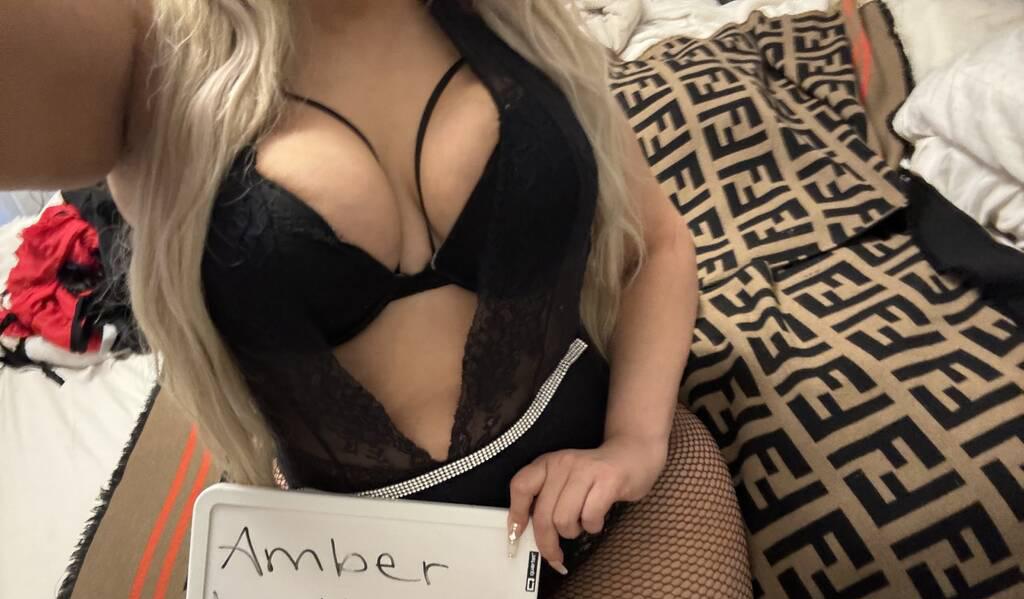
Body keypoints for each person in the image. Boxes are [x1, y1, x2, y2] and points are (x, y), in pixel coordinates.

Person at [1, 0, 704, 593]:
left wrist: (633, 442)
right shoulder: (148, 54)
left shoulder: (517, 18)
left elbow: (657, 244)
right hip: (354, 565)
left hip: (605, 494)